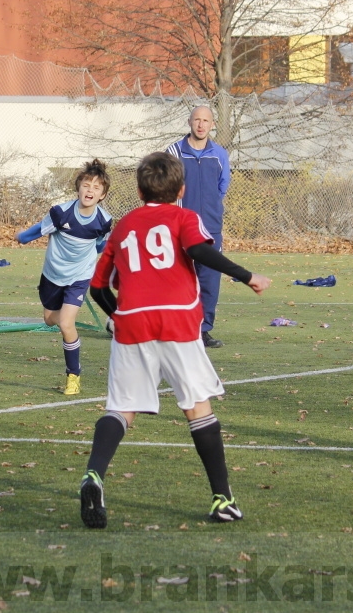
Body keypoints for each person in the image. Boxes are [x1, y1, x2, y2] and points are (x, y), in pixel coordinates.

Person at [81, 151, 271, 528]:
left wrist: (117, 316)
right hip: (177, 322)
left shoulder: (124, 226)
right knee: (198, 408)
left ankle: (93, 476)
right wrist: (246, 275)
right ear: (181, 190)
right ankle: (222, 499)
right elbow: (198, 249)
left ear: (139, 192)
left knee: (121, 409)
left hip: (133, 324)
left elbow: (98, 287)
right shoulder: (185, 217)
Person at [17, 159, 113, 396]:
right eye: (86, 185)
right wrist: (22, 237)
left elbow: (100, 245)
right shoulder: (60, 213)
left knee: (66, 324)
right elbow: (38, 230)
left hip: (79, 277)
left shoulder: (104, 221)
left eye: (96, 187)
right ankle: (60, 322)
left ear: (102, 195)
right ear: (78, 187)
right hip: (52, 275)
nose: (90, 190)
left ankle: (73, 376)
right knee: (50, 320)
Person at [165, 105, 230, 348]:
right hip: (181, 229)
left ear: (212, 124)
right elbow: (165, 188)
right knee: (179, 280)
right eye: (197, 120)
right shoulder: (173, 152)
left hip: (211, 230)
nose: (201, 125)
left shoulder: (220, 154)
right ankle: (174, 328)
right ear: (189, 122)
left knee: (209, 282)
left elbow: (222, 187)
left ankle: (202, 331)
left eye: (205, 120)